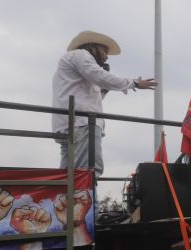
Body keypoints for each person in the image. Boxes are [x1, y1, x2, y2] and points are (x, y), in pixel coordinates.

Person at [52, 31, 157, 176]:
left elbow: (93, 96)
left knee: (67, 173)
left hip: (69, 122)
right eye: (105, 50)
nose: (107, 56)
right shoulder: (81, 55)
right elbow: (100, 77)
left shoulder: (73, 63)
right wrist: (135, 82)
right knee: (88, 169)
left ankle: (66, 197)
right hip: (82, 122)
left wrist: (105, 89)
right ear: (92, 47)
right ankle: (84, 197)